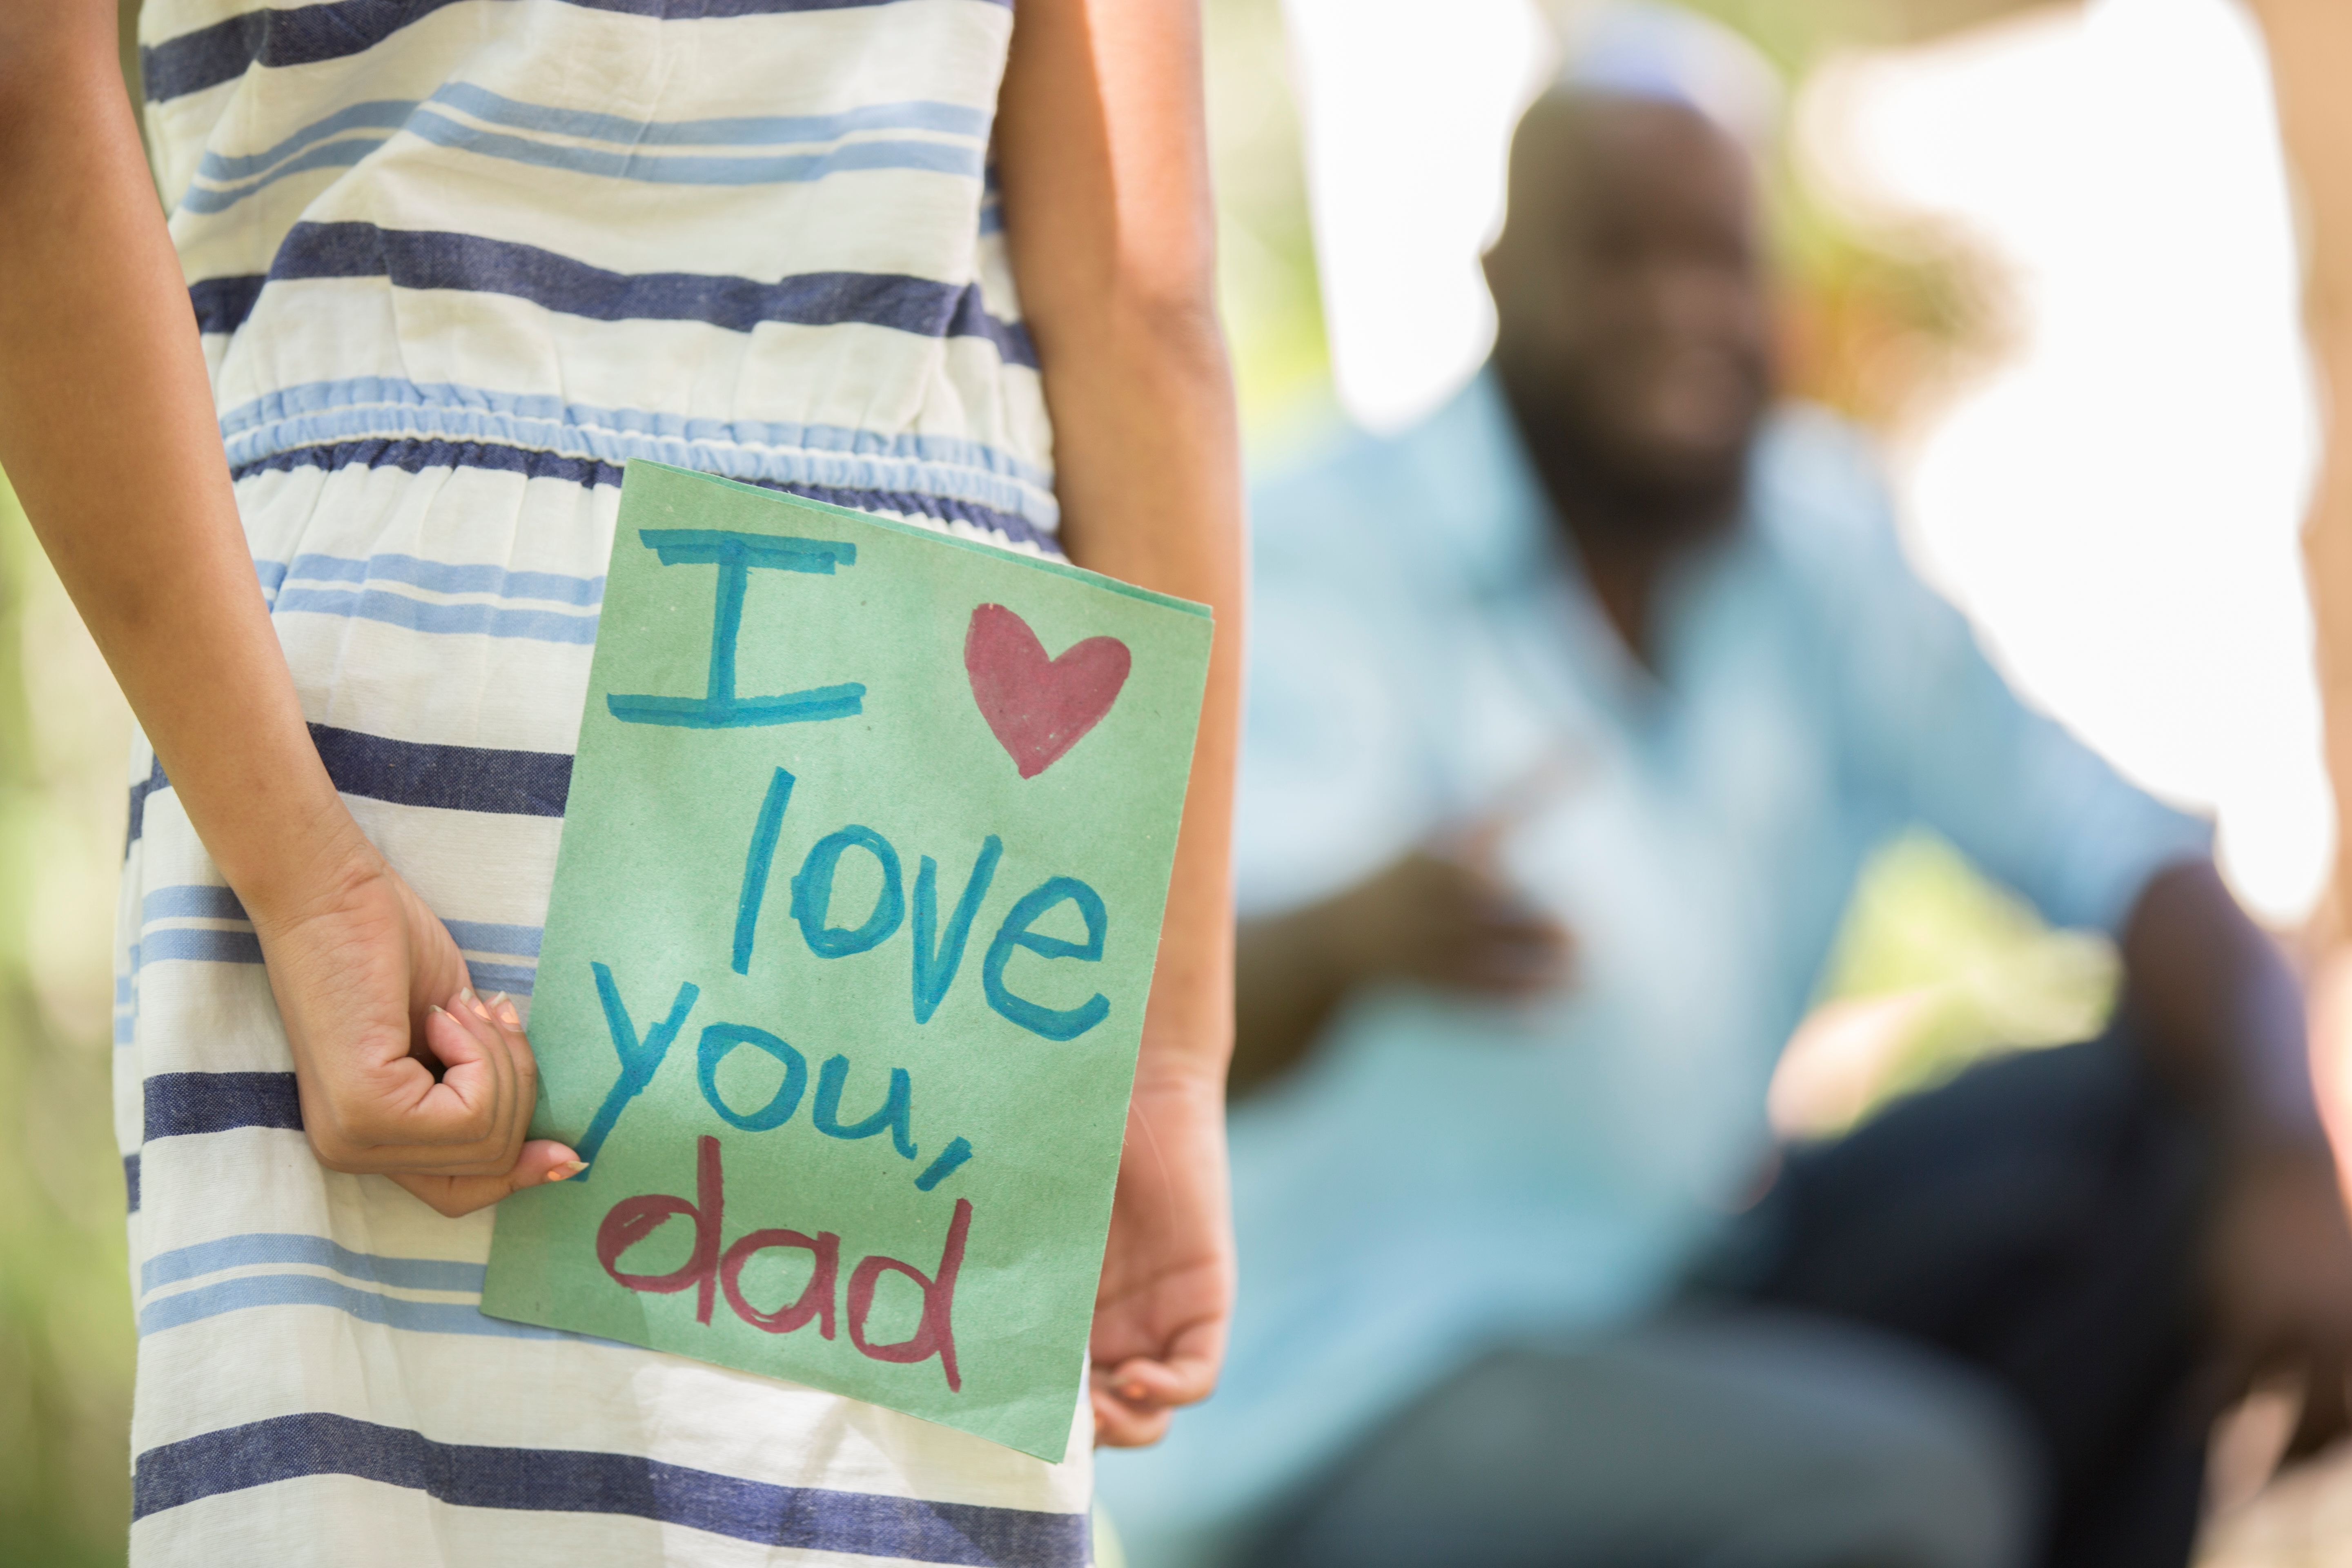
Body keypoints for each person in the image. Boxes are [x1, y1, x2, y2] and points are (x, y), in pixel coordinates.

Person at [1097, 13, 2352, 1568]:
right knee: (1908, 1489)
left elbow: (2124, 851)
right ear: (1499, 278)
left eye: (1719, 260)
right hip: (1351, 1393)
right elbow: (1146, 1026)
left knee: (2164, 1128)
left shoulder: (1812, 553)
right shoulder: (1321, 558)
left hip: (1670, 1286)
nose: (1681, 311)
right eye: (1619, 255)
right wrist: (1349, 942)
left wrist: (2287, 1156)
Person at [0, 1, 1240, 1561]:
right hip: (914, 712)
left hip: (390, 663)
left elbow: (20, 95)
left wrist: (302, 878)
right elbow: (1144, 302)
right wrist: (1168, 1046)